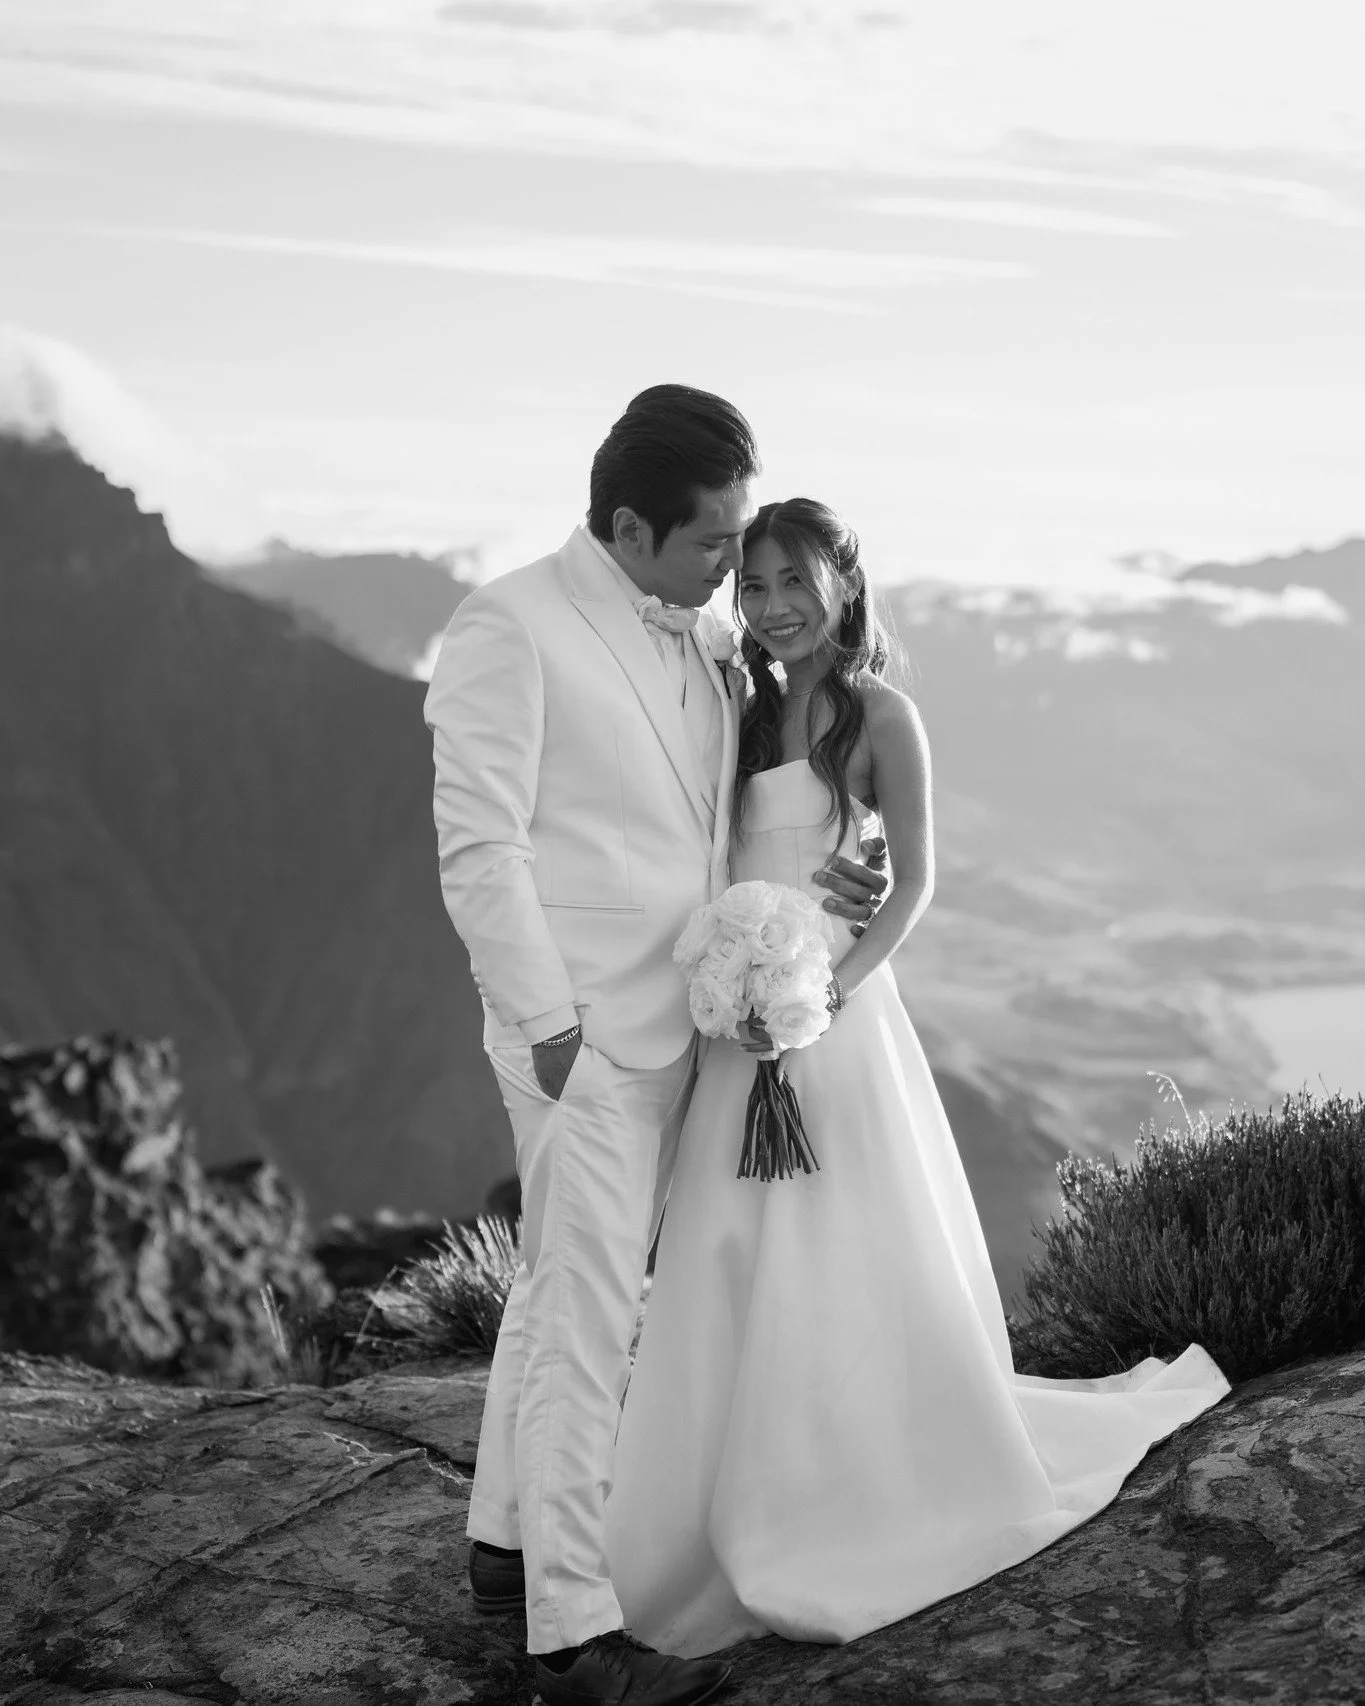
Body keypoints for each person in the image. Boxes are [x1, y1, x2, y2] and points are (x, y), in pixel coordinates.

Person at [605, 497, 1231, 1655]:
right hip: (741, 1030)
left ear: (843, 580)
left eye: (796, 579)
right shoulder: (742, 714)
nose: (777, 605)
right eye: (757, 586)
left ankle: (860, 1483)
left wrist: (828, 990)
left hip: (836, 1021)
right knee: (731, 1254)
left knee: (847, 1251)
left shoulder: (881, 716)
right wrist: (735, 986)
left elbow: (915, 882)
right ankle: (728, 1491)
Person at [423, 393, 886, 1706]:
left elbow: (717, 826)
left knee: (562, 1279)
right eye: (713, 542)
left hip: (683, 1023)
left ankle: (504, 1543)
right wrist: (551, 1029)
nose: (735, 570)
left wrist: (819, 890)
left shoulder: (705, 650)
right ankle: (574, 1638)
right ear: (626, 523)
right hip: (578, 1036)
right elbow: (480, 849)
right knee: (588, 1310)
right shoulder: (507, 625)